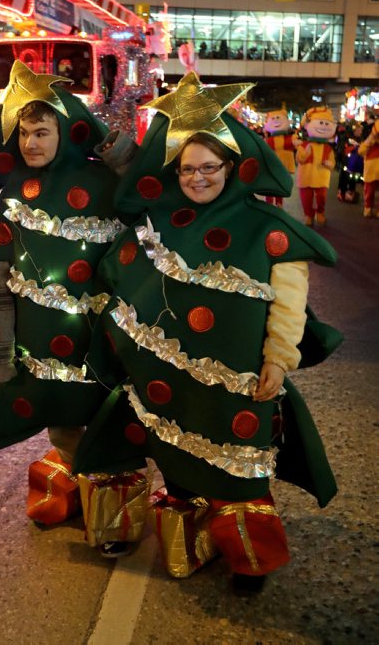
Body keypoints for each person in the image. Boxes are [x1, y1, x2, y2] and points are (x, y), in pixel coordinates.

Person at [74, 73, 340, 594]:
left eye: (209, 168)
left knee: (239, 470)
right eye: (188, 169)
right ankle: (191, 538)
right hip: (167, 380)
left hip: (240, 381)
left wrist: (279, 359)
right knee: (176, 456)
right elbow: (120, 275)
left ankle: (249, 557)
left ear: (232, 166)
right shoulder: (157, 222)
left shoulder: (269, 231)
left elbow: (289, 308)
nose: (198, 178)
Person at [0, 60, 125, 525]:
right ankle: (73, 490)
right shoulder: (14, 193)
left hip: (102, 341)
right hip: (42, 347)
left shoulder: (106, 184)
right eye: (23, 133)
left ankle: (112, 511)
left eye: (41, 132)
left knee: (110, 421)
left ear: (66, 131)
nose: (30, 143)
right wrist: (2, 356)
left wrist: (106, 137)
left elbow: (150, 193)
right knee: (63, 424)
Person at [296, 106, 336, 226]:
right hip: (306, 177)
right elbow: (299, 159)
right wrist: (305, 153)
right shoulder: (304, 145)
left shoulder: (328, 148)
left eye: (326, 123)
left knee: (321, 198)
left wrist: (329, 163)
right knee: (306, 199)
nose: (323, 126)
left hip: (321, 177)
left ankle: (320, 213)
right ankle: (308, 215)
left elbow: (332, 163)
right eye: (320, 122)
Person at [263, 109, 297, 207]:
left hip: (282, 166)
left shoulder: (290, 138)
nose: (276, 121)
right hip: (271, 167)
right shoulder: (268, 140)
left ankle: (278, 204)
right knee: (270, 186)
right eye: (273, 119)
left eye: (278, 118)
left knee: (278, 186)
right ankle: (270, 205)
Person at [336, 124, 363, 203]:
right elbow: (342, 149)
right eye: (358, 130)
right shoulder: (346, 138)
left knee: (353, 179)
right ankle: (342, 192)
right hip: (346, 161)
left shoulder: (361, 139)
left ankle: (350, 193)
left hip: (356, 163)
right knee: (344, 178)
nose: (359, 132)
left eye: (360, 130)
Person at [358, 119, 379, 217]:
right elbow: (361, 151)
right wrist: (370, 141)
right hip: (370, 172)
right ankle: (368, 208)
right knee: (369, 192)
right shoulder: (369, 142)